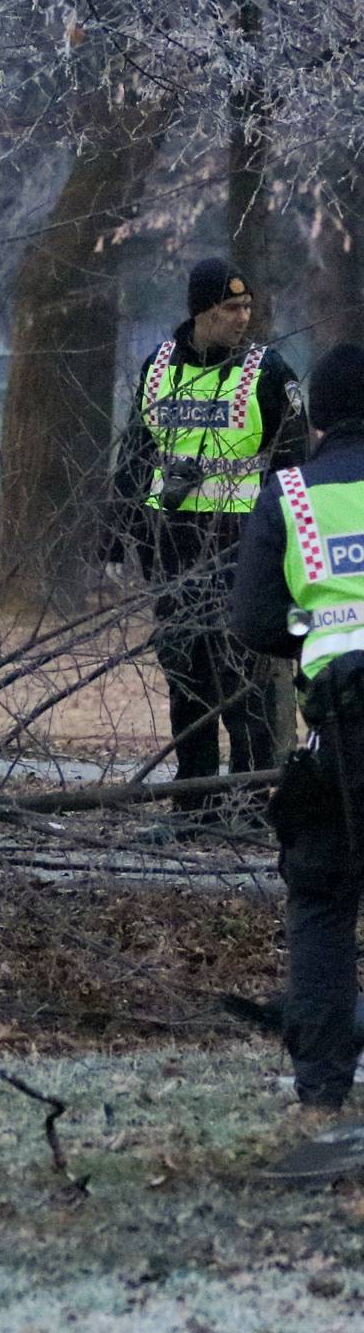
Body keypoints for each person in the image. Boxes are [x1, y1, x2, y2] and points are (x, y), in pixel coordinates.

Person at [111, 253, 305, 813]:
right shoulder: (158, 366)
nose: (242, 317)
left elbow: (292, 467)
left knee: (241, 673)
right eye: (229, 308)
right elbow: (136, 451)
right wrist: (118, 528)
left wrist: (285, 544)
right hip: (170, 543)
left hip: (240, 544)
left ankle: (250, 800)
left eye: (247, 307)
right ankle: (193, 803)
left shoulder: (269, 374)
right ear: (201, 311)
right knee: (184, 672)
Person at [232, 342, 364, 1115]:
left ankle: (321, 1094)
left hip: (341, 734)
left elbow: (252, 622)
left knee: (321, 901)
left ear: (313, 416)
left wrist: (313, 634)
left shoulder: (290, 495)